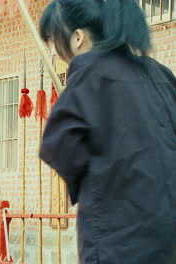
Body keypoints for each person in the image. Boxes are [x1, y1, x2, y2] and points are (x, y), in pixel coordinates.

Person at [38, 0, 176, 263]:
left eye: (55, 42)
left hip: (118, 240)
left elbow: (59, 149)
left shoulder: (89, 74)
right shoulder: (161, 75)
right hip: (167, 240)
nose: (56, 52)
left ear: (77, 38)